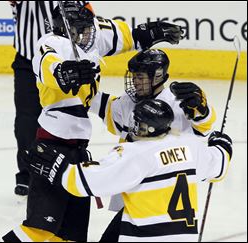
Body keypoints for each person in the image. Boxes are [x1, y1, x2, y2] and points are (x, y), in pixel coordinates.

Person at [3, 1, 184, 241]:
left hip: (78, 151)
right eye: (85, 31)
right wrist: (64, 72)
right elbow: (47, 65)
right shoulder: (51, 42)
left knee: (73, 235)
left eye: (90, 29)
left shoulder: (92, 33)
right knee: (39, 229)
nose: (91, 35)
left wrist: (152, 31)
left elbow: (124, 36)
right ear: (69, 30)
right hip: (51, 147)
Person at [25, 99, 233, 242]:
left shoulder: (136, 154)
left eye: (139, 125)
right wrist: (222, 144)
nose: (134, 129)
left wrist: (56, 167)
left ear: (150, 128)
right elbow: (220, 165)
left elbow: (86, 182)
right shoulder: (191, 147)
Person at [89, 48, 217, 241]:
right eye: (134, 76)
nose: (135, 82)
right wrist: (81, 85)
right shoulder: (128, 103)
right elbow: (103, 106)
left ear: (157, 76)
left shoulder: (176, 104)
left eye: (140, 77)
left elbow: (202, 127)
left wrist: (203, 109)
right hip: (136, 191)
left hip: (159, 195)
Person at [8, 1, 57, 196]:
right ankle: (27, 175)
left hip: (60, 62)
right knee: (26, 121)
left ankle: (57, 172)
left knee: (60, 118)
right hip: (27, 62)